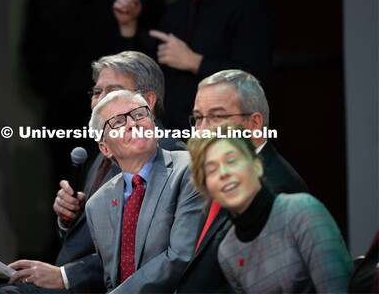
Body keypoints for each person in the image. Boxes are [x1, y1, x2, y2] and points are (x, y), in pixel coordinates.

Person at [0, 51, 184, 293]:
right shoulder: (105, 150)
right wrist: (69, 217)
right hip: (69, 273)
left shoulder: (164, 152)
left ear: (148, 101)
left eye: (111, 92)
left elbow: (141, 248)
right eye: (96, 92)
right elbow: (92, 237)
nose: (98, 101)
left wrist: (65, 275)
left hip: (98, 284)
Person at [177, 69, 309, 293]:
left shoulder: (276, 190)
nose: (201, 130)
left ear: (254, 123)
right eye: (199, 118)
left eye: (217, 117)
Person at [187, 122, 353, 293]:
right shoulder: (227, 250)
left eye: (231, 161)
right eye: (212, 170)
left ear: (257, 166)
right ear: (206, 186)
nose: (223, 173)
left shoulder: (301, 211)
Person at [114, 0, 275, 130]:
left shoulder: (248, 8)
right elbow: (141, 75)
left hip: (217, 140)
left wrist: (195, 62)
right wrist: (128, 25)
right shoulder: (176, 11)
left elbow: (254, 83)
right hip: (166, 139)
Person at [85, 90, 203, 293]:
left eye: (139, 115)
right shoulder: (97, 205)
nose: (133, 123)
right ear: (105, 149)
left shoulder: (189, 169)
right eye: (119, 122)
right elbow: (111, 278)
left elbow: (181, 257)